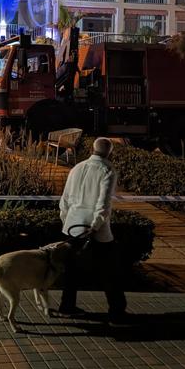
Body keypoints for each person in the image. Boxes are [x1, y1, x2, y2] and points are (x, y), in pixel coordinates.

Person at [58, 137, 128, 323]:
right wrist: (95, 226)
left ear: (93, 149)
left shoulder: (77, 168)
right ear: (109, 151)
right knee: (110, 270)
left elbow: (64, 199)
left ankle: (67, 306)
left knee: (71, 270)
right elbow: (103, 204)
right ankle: (116, 310)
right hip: (95, 230)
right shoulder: (108, 170)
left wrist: (66, 219)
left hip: (72, 226)